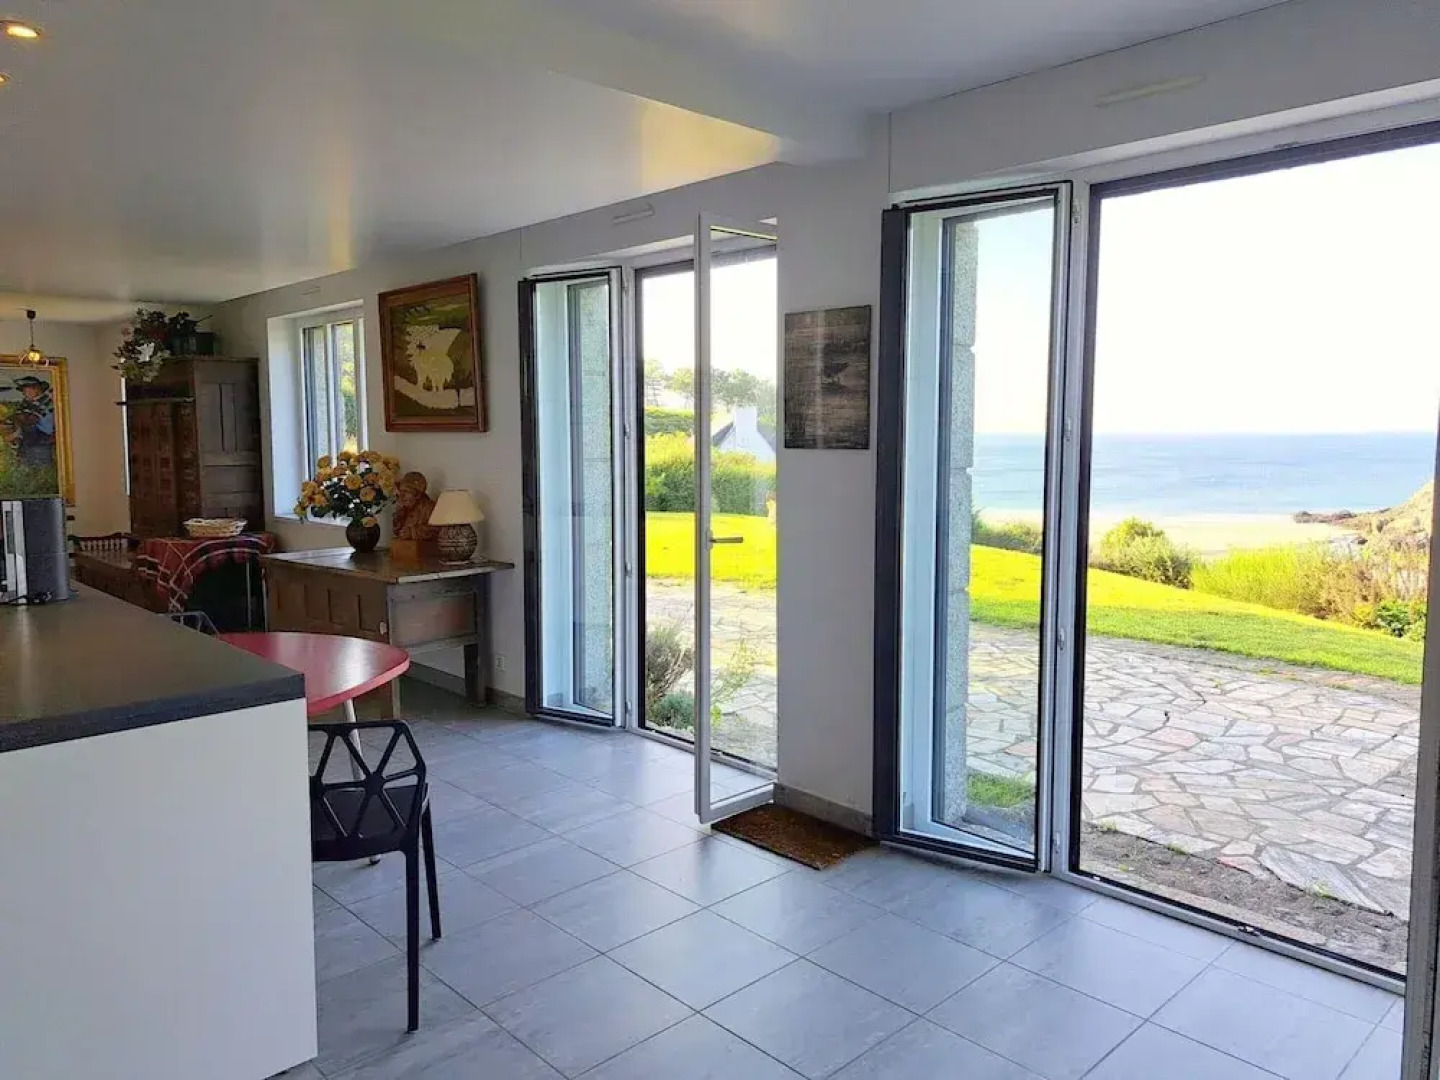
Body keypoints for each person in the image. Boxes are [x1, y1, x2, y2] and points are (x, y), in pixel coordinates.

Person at [9, 375, 56, 470]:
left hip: (44, 434)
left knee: (39, 460)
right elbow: (18, 414)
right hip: (32, 435)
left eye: (26, 389)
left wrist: (19, 420)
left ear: (36, 388)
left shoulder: (46, 401)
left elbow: (30, 420)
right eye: (23, 390)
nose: (24, 393)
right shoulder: (27, 402)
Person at [392, 471, 437, 540]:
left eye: (406, 491)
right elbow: (397, 531)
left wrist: (412, 532)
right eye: (401, 491)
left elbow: (435, 530)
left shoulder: (429, 508)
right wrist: (399, 515)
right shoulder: (405, 508)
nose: (402, 496)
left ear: (417, 494)